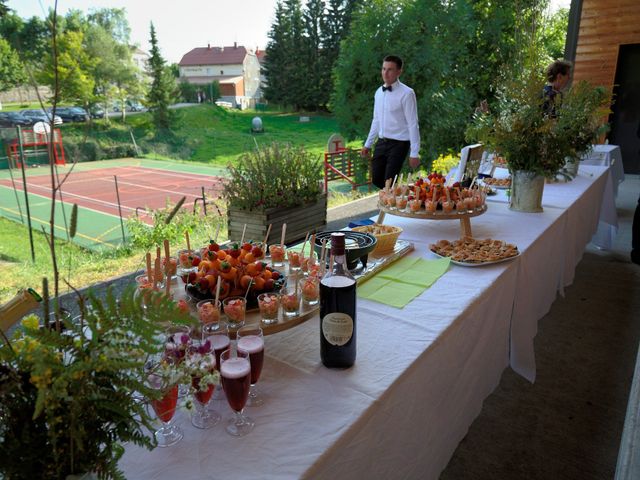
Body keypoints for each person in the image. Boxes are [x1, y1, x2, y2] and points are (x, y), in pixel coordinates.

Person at [361, 55, 420, 189]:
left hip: (399, 144)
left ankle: (389, 204)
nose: (385, 73)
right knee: (376, 179)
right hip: (382, 142)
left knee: (389, 181)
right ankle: (392, 200)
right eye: (383, 69)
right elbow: (376, 120)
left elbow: (413, 124)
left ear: (399, 72)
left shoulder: (407, 93)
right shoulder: (378, 93)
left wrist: (414, 153)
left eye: (390, 70)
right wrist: (368, 144)